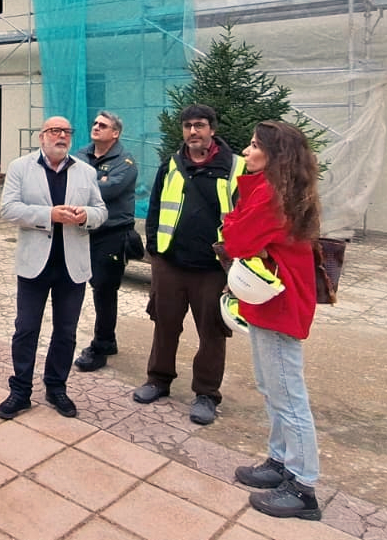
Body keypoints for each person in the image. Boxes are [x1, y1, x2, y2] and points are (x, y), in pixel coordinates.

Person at [224, 120, 323, 521]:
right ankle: (280, 461)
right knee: (272, 387)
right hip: (270, 303)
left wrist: (235, 214)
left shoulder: (270, 195)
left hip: (279, 306)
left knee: (288, 395)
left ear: (274, 154)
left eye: (253, 146)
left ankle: (303, 486)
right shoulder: (280, 189)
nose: (246, 152)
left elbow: (236, 240)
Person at [134, 103, 245, 425]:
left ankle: (207, 393)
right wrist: (155, 250)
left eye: (199, 125)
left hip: (213, 268)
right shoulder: (171, 165)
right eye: (187, 126)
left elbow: (244, 216)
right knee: (164, 323)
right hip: (171, 263)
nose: (193, 131)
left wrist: (235, 263)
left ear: (212, 129)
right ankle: (158, 380)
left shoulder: (236, 167)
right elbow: (155, 207)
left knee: (212, 332)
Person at [0, 117, 105, 420]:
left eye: (67, 132)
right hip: (34, 264)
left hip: (72, 266)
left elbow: (101, 211)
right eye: (55, 131)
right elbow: (8, 208)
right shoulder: (21, 167)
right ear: (41, 136)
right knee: (26, 329)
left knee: (66, 332)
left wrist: (86, 215)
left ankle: (56, 387)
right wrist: (49, 215)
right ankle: (20, 391)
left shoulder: (85, 171)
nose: (61, 136)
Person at [74, 110, 139, 371]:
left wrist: (85, 185)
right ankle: (106, 340)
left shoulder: (126, 161)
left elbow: (110, 189)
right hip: (82, 231)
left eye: (103, 125)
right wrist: (96, 181)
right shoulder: (81, 154)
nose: (96, 126)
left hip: (112, 233)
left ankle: (102, 345)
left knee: (104, 290)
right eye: (95, 123)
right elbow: (68, 180)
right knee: (77, 284)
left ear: (115, 133)